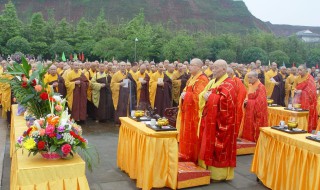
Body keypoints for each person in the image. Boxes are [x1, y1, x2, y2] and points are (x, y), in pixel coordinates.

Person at [198, 59, 237, 180]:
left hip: (222, 122)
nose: (213, 70)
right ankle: (205, 168)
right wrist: (206, 96)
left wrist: (211, 98)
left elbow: (227, 103)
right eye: (212, 67)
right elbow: (203, 94)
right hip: (209, 119)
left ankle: (217, 174)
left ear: (224, 69)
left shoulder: (229, 84)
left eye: (216, 68)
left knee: (219, 147)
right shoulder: (212, 81)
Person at [177, 58, 209, 163]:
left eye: (192, 65)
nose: (189, 67)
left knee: (193, 137)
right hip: (188, 112)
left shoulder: (202, 79)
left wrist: (187, 95)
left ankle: (192, 157)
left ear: (199, 67)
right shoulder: (192, 78)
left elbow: (199, 97)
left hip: (195, 114)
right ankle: (186, 155)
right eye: (189, 65)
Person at [240, 71, 268, 142]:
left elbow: (261, 102)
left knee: (254, 128)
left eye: (251, 78)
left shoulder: (260, 87)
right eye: (248, 78)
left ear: (256, 77)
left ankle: (254, 141)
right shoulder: (251, 85)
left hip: (256, 114)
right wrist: (245, 102)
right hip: (249, 111)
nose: (249, 79)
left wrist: (249, 102)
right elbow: (247, 97)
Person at [292, 65, 318, 132]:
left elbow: (312, 91)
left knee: (306, 114)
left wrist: (303, 92)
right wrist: (294, 90)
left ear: (305, 70)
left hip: (307, 101)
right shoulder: (297, 78)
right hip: (298, 99)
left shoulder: (309, 78)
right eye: (298, 70)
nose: (299, 71)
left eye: (301, 70)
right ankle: (298, 126)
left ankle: (306, 128)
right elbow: (293, 87)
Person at [227, 67, 247, 135]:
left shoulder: (236, 81)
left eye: (227, 74)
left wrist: (236, 106)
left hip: (234, 105)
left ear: (232, 73)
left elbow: (241, 94)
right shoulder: (228, 80)